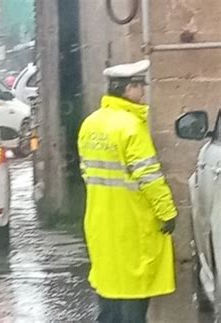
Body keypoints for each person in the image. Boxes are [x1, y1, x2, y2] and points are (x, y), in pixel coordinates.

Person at [77, 60, 178, 323]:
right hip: (132, 223)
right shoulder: (131, 127)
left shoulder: (90, 124)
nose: (142, 93)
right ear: (126, 89)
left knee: (109, 289)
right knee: (134, 294)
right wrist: (167, 212)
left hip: (100, 221)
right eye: (138, 87)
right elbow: (150, 177)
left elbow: (87, 172)